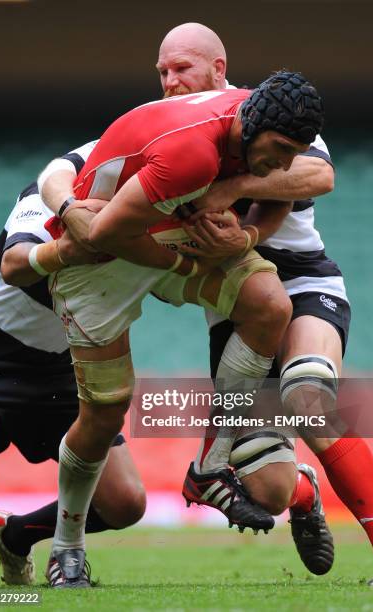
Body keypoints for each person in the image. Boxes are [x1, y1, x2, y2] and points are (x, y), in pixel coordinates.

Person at [31, 71, 324, 587]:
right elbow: (103, 232)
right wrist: (191, 266)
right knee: (104, 413)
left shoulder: (257, 120)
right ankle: (66, 546)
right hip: (99, 262)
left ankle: (209, 468)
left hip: (169, 234)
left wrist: (248, 226)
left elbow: (313, 177)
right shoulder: (191, 150)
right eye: (278, 150)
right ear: (251, 123)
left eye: (291, 153)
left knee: (269, 306)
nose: (281, 164)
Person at [157, 23, 373, 586]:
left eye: (182, 68)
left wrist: (232, 197)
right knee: (267, 488)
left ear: (218, 68)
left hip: (304, 283)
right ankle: (303, 494)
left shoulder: (267, 113)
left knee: (308, 394)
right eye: (162, 72)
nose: (170, 82)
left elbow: (319, 172)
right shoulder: (165, 136)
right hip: (237, 313)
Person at [0, 185, 147, 586]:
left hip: (60, 372)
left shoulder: (150, 213)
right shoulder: (48, 194)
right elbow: (14, 263)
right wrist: (71, 248)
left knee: (124, 503)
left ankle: (14, 537)